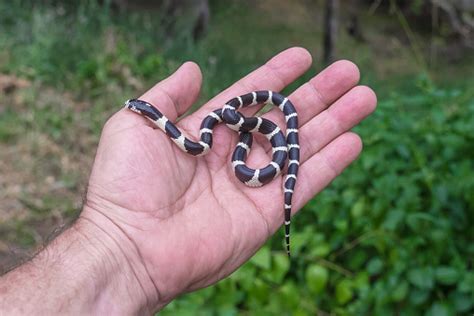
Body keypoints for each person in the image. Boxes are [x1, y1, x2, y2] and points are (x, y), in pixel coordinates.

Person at [0, 47, 376, 314]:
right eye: (135, 107)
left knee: (264, 141)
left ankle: (279, 144)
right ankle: (276, 143)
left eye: (138, 107)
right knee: (252, 136)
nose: (134, 109)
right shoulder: (194, 138)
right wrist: (114, 237)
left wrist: (252, 137)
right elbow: (201, 145)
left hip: (254, 137)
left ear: (151, 116)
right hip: (244, 135)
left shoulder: (214, 133)